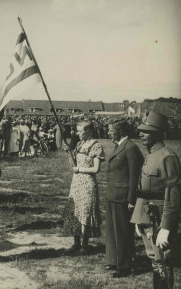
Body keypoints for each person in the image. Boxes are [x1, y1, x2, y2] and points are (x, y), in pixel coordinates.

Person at [131, 111, 181, 289]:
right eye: (141, 130)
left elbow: (173, 195)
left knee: (162, 261)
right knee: (154, 259)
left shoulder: (167, 157)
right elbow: (144, 191)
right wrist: (139, 219)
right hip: (147, 216)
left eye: (146, 131)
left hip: (159, 219)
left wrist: (166, 227)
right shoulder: (152, 154)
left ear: (158, 133)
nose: (141, 134)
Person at [105, 118, 144, 278]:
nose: (108, 133)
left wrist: (130, 199)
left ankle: (124, 266)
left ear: (120, 131)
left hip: (123, 197)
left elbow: (135, 176)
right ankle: (114, 260)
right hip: (113, 194)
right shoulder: (120, 146)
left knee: (122, 232)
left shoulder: (130, 148)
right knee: (113, 231)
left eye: (111, 130)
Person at [63, 121, 104, 254]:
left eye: (80, 131)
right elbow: (73, 165)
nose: (77, 133)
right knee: (75, 211)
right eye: (77, 130)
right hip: (76, 182)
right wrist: (68, 152)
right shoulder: (79, 144)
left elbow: (96, 169)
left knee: (85, 212)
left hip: (87, 183)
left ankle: (85, 245)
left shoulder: (96, 146)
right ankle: (76, 243)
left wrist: (80, 169)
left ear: (89, 131)